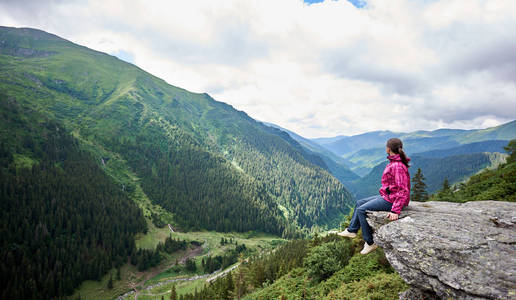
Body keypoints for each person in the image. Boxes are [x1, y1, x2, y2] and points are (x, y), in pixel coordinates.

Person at [338, 138, 411, 254]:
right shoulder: (395, 163)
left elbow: (403, 190)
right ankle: (352, 230)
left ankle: (370, 243)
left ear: (388, 149)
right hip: (388, 196)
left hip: (392, 200)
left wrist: (395, 210)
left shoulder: (397, 166)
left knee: (362, 210)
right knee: (360, 203)